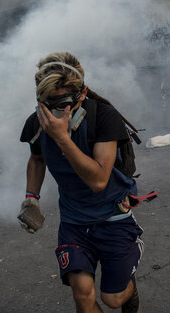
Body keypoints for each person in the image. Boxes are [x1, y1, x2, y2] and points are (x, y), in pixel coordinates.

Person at [19, 52, 147, 313]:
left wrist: (63, 139)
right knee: (83, 295)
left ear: (82, 93)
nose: (56, 113)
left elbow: (99, 181)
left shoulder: (103, 117)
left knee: (112, 300)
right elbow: (37, 159)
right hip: (74, 222)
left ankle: (128, 291)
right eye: (48, 103)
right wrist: (31, 198)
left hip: (113, 218)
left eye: (64, 103)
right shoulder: (37, 122)